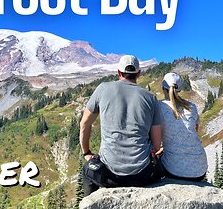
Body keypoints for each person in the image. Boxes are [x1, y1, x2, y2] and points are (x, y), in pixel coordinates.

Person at [79, 55, 163, 197]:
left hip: (108, 173)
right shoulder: (150, 98)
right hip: (142, 174)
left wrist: (87, 153)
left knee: (88, 171)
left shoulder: (103, 89)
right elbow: (156, 144)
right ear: (138, 74)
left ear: (118, 72)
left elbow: (85, 123)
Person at [159, 72, 208, 181]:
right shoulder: (192, 107)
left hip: (173, 170)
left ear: (163, 88)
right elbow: (194, 131)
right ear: (180, 89)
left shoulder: (158, 106)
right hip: (200, 169)